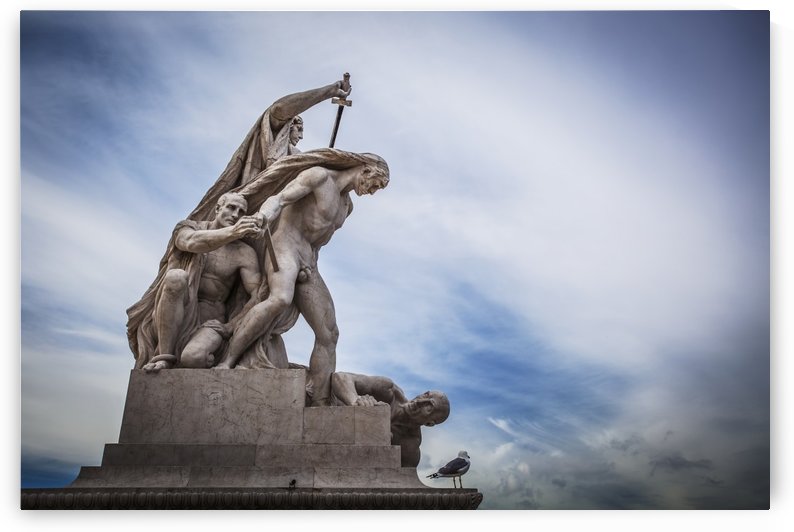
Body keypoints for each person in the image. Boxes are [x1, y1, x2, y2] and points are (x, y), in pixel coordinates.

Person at [213, 149, 390, 408]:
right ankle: (227, 361)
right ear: (365, 169)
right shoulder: (319, 177)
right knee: (280, 298)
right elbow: (281, 198)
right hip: (285, 246)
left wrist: (311, 261)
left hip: (308, 260)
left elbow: (317, 240)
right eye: (376, 184)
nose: (373, 191)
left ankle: (319, 402)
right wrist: (263, 216)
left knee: (329, 333)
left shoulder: (346, 206)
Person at [126, 192, 262, 371]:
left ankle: (212, 353)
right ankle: (164, 357)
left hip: (211, 321)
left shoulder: (244, 253)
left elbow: (257, 295)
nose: (236, 215)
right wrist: (232, 232)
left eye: (241, 211)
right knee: (176, 277)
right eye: (231, 207)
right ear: (217, 208)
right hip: (175, 313)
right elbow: (190, 242)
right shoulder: (188, 228)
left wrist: (231, 326)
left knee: (193, 358)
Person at [188, 78, 352, 223]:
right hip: (246, 208)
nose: (301, 136)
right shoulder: (271, 140)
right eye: (299, 129)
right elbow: (279, 108)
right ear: (289, 126)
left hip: (275, 216)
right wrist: (329, 91)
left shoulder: (297, 156)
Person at [330, 372, 450, 467]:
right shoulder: (388, 391)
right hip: (327, 412)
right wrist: (355, 401)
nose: (420, 401)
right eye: (426, 395)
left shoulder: (409, 446)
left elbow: (400, 483)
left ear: (429, 423)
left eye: (429, 406)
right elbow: (340, 377)